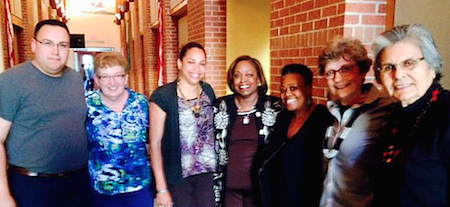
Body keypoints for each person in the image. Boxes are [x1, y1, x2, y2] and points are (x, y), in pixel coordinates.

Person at [0, 19, 89, 207]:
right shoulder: (11, 81)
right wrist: (3, 196)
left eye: (62, 45)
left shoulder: (74, 79)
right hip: (32, 186)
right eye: (47, 43)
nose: (55, 51)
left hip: (77, 183)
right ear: (34, 45)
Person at [373, 24, 450, 207]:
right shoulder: (393, 116)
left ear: (432, 67)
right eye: (388, 67)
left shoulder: (446, 115)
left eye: (409, 63)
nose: (398, 74)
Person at [318, 37, 396, 207]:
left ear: (362, 71)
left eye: (345, 69)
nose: (337, 79)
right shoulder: (328, 112)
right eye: (330, 73)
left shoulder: (386, 108)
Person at [150, 42, 216, 207]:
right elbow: (155, 144)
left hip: (206, 175)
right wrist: (161, 188)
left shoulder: (208, 92)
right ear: (180, 63)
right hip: (178, 177)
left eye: (202, 64)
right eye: (191, 62)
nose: (197, 68)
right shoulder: (162, 96)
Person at [258, 64, 333, 207]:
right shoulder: (283, 119)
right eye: (283, 90)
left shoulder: (322, 120)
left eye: (293, 88)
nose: (287, 94)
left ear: (308, 88)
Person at [86, 52, 153, 207]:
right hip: (103, 191)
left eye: (118, 75)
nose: (112, 82)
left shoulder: (142, 104)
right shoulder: (87, 106)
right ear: (97, 79)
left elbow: (152, 142)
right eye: (106, 77)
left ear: (126, 78)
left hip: (139, 188)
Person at [212, 56, 282, 206]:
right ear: (232, 81)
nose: (243, 80)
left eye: (249, 75)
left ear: (259, 79)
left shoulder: (275, 108)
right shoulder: (220, 107)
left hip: (261, 191)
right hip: (229, 189)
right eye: (237, 75)